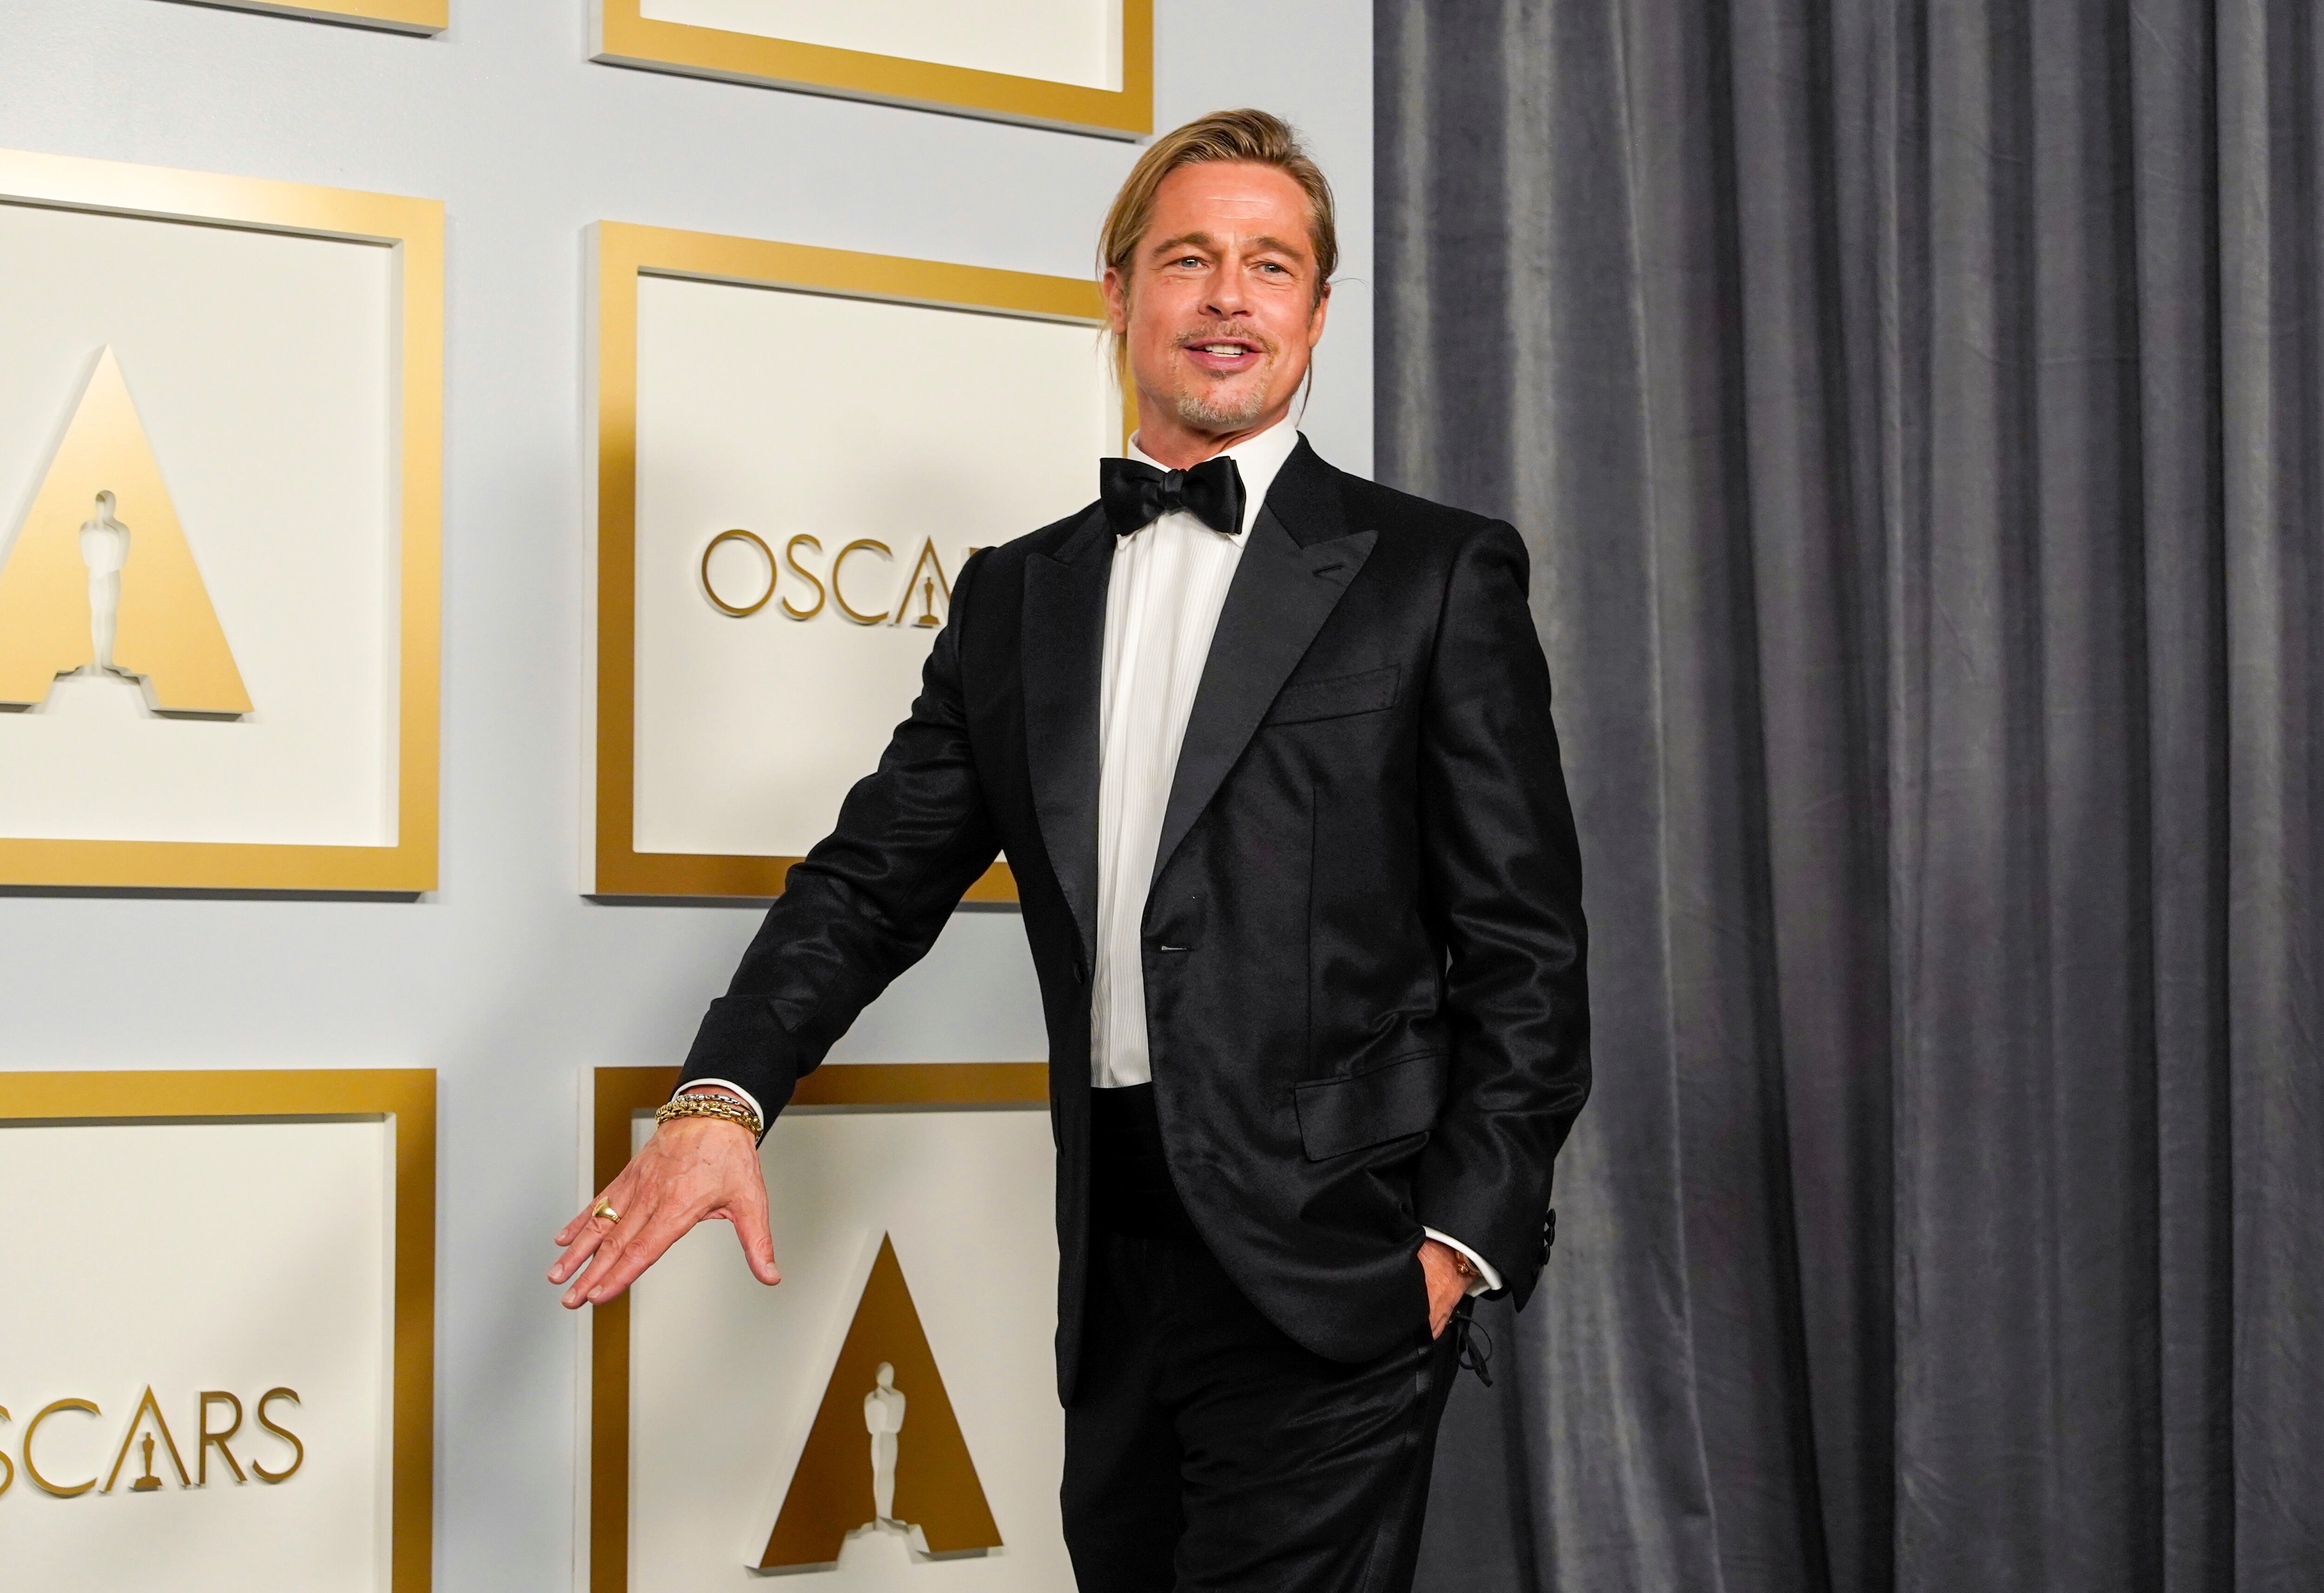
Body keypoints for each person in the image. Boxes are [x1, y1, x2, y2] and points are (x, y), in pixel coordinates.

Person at [549, 107, 1590, 1593]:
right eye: (1189, 259)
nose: (1231, 296)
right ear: (1116, 293)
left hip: (1337, 1268)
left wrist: (1453, 1250)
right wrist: (722, 1096)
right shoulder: (1013, 599)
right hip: (1115, 1275)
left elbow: (1528, 954)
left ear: (1316, 311)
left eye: (1272, 265)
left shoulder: (1434, 574)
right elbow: (870, 880)